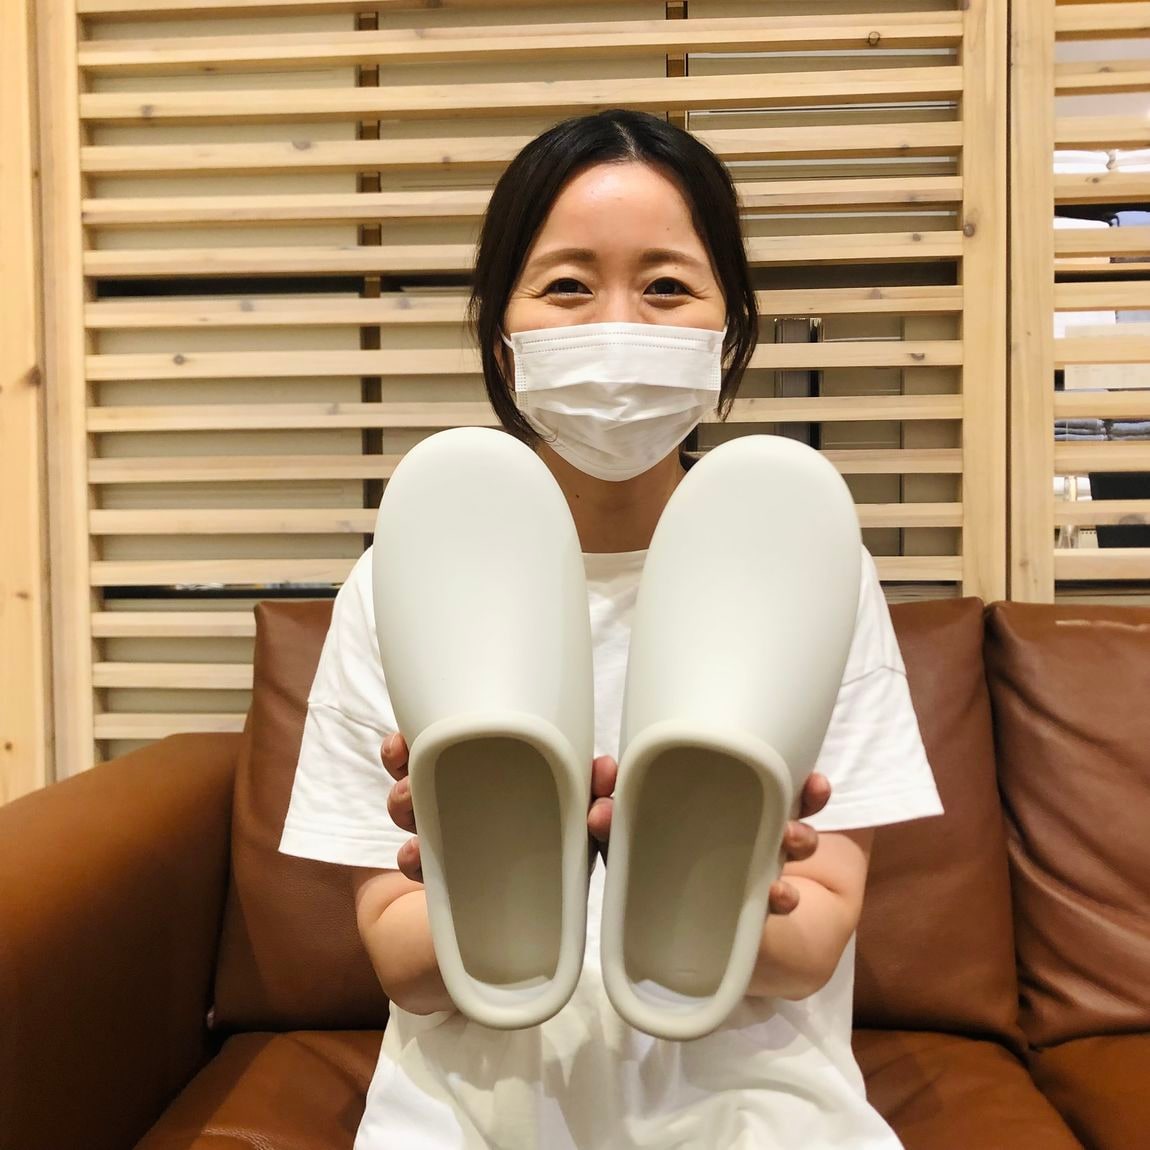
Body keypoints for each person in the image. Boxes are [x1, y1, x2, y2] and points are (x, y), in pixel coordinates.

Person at [279, 108, 945, 1149]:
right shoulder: (404, 576)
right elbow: (402, 960)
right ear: (501, 335)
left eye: (667, 286)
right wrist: (502, 870)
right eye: (567, 286)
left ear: (730, 330)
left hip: (754, 1115)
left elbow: (812, 941)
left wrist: (692, 878)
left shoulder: (806, 561)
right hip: (467, 1116)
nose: (619, 324)